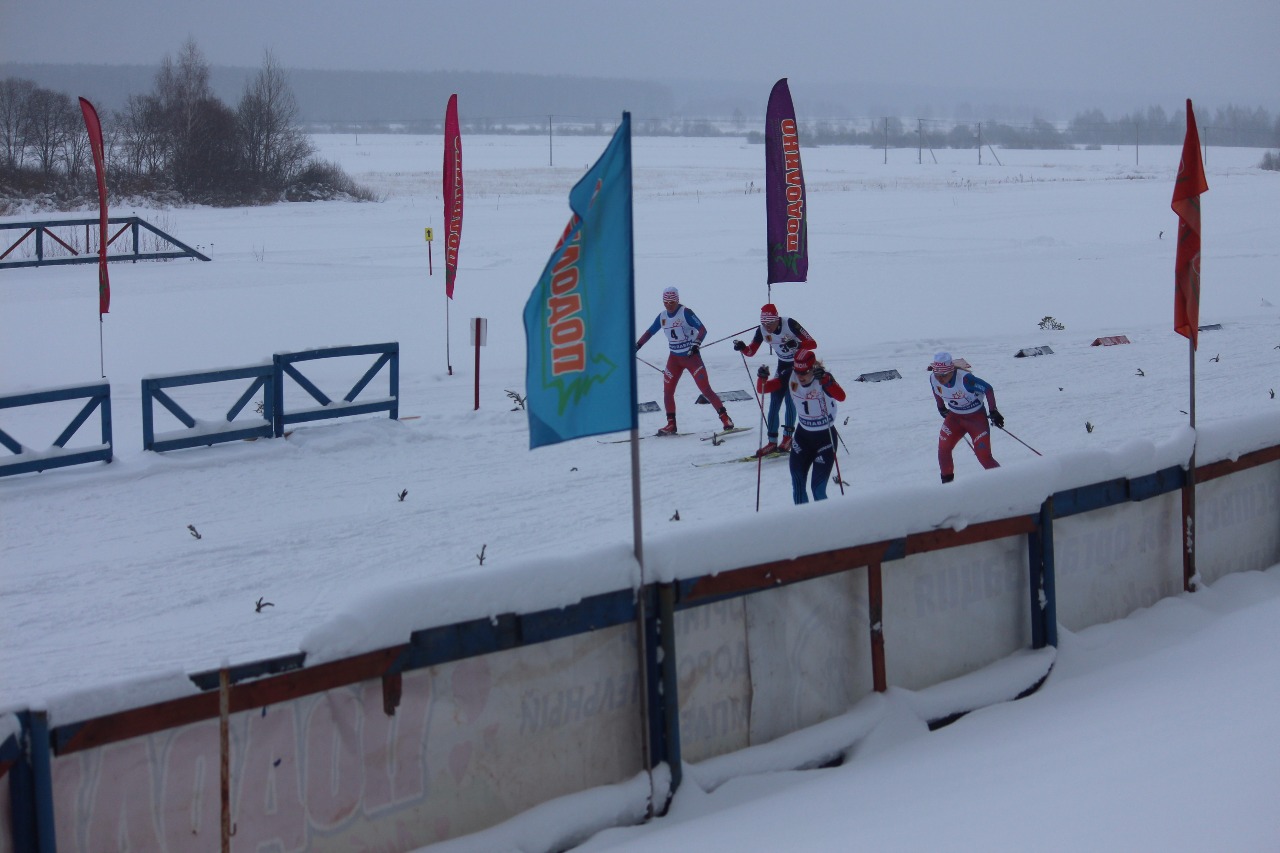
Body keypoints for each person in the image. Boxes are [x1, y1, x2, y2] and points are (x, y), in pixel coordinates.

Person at [635, 286, 735, 436]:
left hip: (691, 357)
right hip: (674, 359)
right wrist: (637, 345)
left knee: (705, 389)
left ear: (677, 299)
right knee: (668, 392)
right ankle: (671, 425)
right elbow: (650, 332)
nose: (669, 305)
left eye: (672, 301)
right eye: (666, 302)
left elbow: (702, 329)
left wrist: (696, 343)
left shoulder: (686, 313)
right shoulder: (662, 316)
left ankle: (725, 418)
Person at [757, 348, 846, 504]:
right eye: (798, 371)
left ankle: (827, 524)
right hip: (803, 437)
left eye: (804, 372)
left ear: (813, 368)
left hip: (825, 438)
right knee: (798, 485)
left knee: (817, 490)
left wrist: (826, 380)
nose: (800, 376)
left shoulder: (822, 377)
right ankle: (804, 525)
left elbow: (841, 396)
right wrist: (762, 378)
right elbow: (762, 389)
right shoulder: (790, 375)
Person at [733, 303, 816, 457]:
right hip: (782, 365)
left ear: (777, 319)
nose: (768, 327)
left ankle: (787, 438)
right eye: (764, 323)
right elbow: (751, 351)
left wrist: (798, 344)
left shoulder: (790, 323)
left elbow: (812, 343)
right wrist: (742, 347)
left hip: (798, 366)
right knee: (774, 401)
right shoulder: (762, 330)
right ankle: (772, 442)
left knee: (790, 399)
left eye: (770, 323)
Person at [928, 351, 1003, 483]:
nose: (940, 379)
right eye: (937, 374)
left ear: (951, 372)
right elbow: (936, 391)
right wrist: (941, 407)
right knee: (943, 449)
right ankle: (947, 488)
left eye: (944, 375)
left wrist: (993, 411)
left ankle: (1005, 485)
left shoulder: (965, 379)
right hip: (955, 418)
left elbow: (988, 389)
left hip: (976, 419)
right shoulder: (933, 378)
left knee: (983, 456)